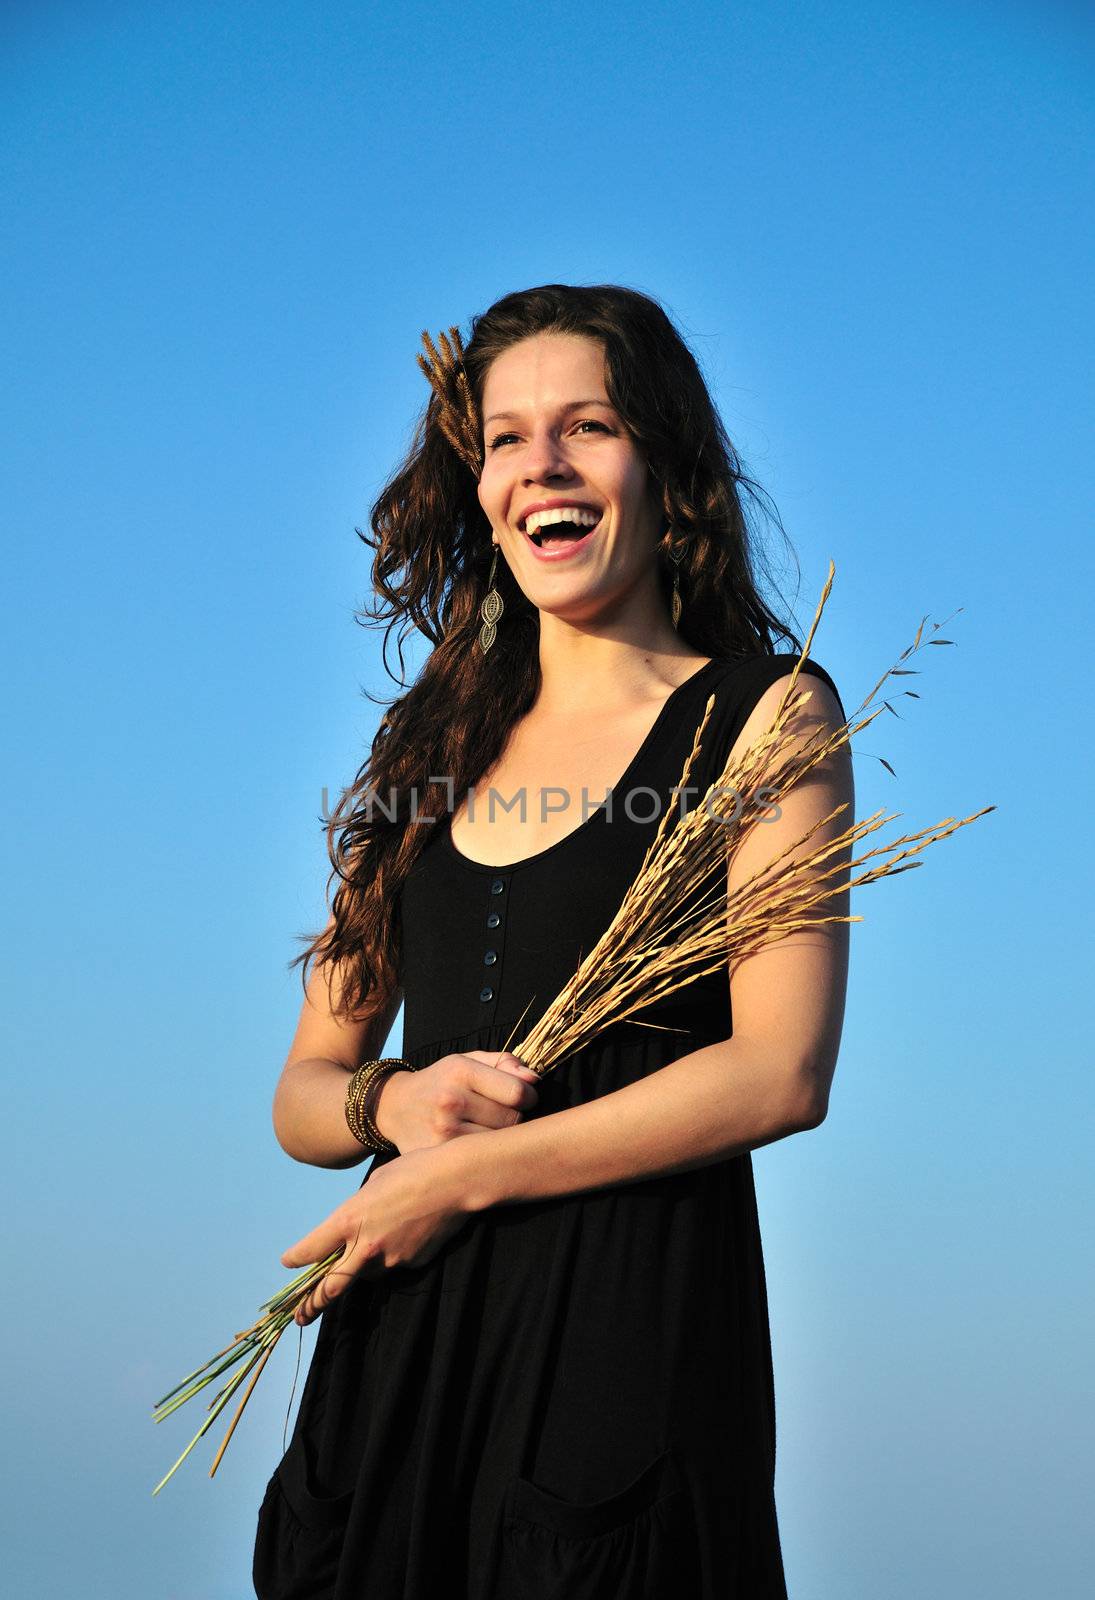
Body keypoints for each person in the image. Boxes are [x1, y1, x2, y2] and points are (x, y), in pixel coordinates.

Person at [252, 283, 853, 1600]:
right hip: (399, 1354)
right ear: (478, 486)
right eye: (509, 439)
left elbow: (780, 1073)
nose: (545, 467)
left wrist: (469, 1177)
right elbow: (305, 1092)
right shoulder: (428, 749)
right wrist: (390, 1100)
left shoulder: (767, 717)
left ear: (666, 463)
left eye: (588, 426)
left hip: (621, 1351)